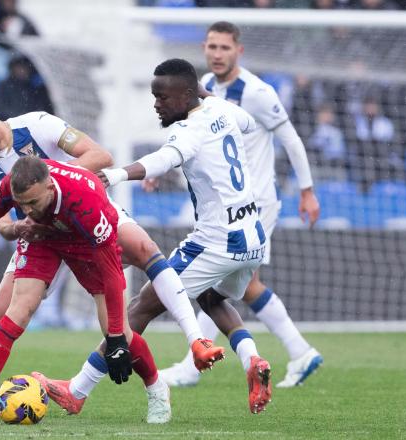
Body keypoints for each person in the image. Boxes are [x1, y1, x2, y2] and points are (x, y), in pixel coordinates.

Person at [0, 93, 222, 424]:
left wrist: (114, 337)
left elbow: (100, 159)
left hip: (82, 223)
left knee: (128, 303)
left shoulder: (39, 127)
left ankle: (162, 380)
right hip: (38, 232)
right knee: (5, 316)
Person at [34, 58, 273, 415]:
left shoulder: (186, 131)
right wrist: (202, 94)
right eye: (154, 96)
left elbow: (164, 157)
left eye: (163, 97)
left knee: (140, 307)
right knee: (210, 297)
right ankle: (253, 360)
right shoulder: (222, 109)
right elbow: (250, 123)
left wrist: (114, 176)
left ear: (188, 95)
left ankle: (77, 389)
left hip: (217, 241)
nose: (157, 104)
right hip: (253, 237)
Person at [0, 156, 169, 425]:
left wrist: (114, 339)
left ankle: (157, 389)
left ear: (50, 188)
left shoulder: (87, 201)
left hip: (85, 243)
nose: (27, 210)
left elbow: (113, 274)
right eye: (21, 204)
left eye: (33, 202)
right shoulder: (16, 184)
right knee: (17, 312)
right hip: (42, 238)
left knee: (119, 331)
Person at [153, 21, 323, 389]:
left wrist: (307, 190)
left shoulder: (258, 92)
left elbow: (291, 139)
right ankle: (299, 351)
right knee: (240, 287)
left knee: (220, 283)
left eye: (224, 48)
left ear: (238, 51)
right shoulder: (204, 88)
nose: (217, 54)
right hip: (226, 206)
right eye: (212, 47)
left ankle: (191, 364)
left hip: (256, 202)